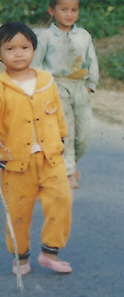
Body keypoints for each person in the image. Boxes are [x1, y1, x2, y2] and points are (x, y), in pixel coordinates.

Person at [0, 22, 73, 275]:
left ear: (33, 49)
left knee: (61, 200)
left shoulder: (45, 81)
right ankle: (21, 258)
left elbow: (58, 114)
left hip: (50, 158)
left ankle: (50, 253)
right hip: (15, 164)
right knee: (18, 212)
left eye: (24, 47)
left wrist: (61, 140)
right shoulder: (1, 87)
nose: (18, 53)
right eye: (10, 48)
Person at [34, 0, 99, 189]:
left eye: (74, 10)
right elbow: (37, 64)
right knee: (67, 131)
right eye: (64, 9)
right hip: (56, 86)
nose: (69, 14)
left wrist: (91, 85)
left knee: (85, 133)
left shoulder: (83, 36)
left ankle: (67, 164)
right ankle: (68, 172)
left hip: (80, 87)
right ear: (52, 11)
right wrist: (44, 88)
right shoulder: (45, 37)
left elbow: (92, 61)